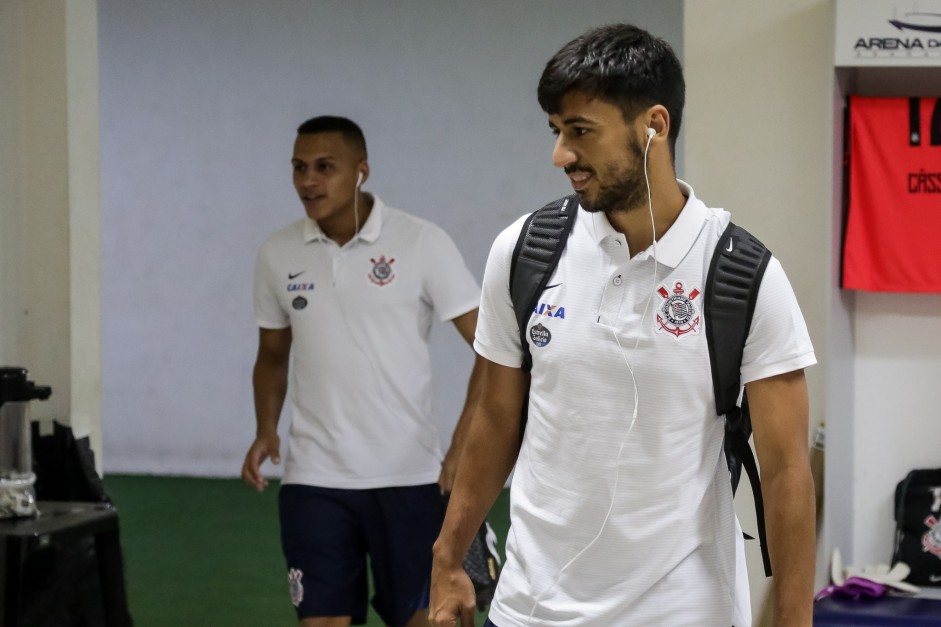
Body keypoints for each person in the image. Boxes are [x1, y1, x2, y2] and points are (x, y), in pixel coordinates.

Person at [429, 24, 816, 627]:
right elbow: (497, 419)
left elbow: (787, 471)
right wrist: (449, 557)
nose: (561, 155)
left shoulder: (742, 275)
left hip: (683, 611)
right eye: (556, 132)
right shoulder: (525, 251)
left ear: (652, 126)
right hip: (531, 608)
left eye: (580, 131)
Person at [242, 115, 483, 627]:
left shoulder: (421, 242)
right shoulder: (276, 253)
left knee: (426, 620)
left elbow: (492, 349)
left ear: (361, 171)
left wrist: (464, 443)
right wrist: (266, 427)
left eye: (325, 167)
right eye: (300, 167)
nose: (309, 181)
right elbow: (271, 355)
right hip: (314, 480)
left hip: (410, 477)